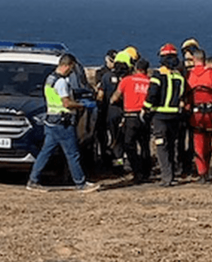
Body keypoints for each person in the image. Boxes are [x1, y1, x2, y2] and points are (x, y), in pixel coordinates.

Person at [27, 53, 99, 193]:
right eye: (71, 68)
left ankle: (33, 180)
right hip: (63, 122)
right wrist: (80, 106)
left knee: (45, 152)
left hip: (51, 121)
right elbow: (66, 103)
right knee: (72, 153)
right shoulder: (61, 82)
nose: (72, 71)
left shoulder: (50, 79)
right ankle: (81, 183)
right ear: (66, 66)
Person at [143, 44, 187, 186]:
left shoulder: (158, 75)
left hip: (160, 116)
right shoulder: (179, 77)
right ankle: (172, 174)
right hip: (175, 117)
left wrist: (146, 108)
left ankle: (166, 177)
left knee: (161, 146)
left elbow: (152, 95)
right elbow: (182, 95)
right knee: (172, 146)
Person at [186, 50, 212, 183]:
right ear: (204, 60)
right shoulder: (211, 74)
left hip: (196, 115)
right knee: (208, 140)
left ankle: (202, 172)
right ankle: (209, 169)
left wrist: (187, 109)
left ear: (193, 59)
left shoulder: (190, 75)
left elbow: (187, 95)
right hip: (211, 115)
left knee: (198, 143)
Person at [110, 58, 153, 183]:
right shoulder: (150, 82)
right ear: (146, 70)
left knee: (129, 145)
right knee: (145, 145)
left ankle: (137, 171)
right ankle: (146, 172)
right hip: (145, 116)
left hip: (130, 116)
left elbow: (114, 97)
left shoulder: (127, 80)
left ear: (135, 68)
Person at [175, 37, 200, 176]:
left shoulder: (184, 69)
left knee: (191, 139)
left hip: (192, 108)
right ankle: (182, 164)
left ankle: (188, 164)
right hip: (185, 108)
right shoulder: (181, 69)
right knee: (181, 139)